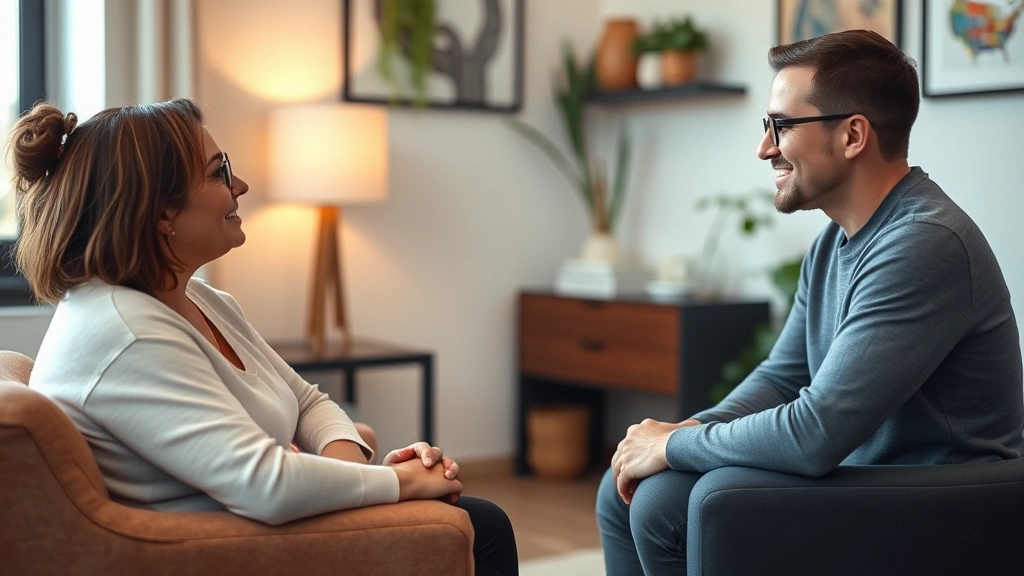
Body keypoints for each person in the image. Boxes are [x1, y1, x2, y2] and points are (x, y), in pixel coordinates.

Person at [7, 98, 517, 576]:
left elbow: (309, 401)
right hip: (218, 547)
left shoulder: (198, 299)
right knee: (483, 524)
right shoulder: (124, 332)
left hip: (251, 521)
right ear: (163, 212)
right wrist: (399, 483)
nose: (241, 185)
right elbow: (266, 484)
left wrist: (352, 473)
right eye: (219, 172)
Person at [596, 29, 1024, 575]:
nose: (764, 147)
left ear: (852, 136)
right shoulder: (834, 242)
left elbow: (814, 433)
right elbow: (782, 377)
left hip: (941, 499)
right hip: (870, 477)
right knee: (624, 488)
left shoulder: (924, 243)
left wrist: (680, 446)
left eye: (781, 126)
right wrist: (677, 434)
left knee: (671, 501)